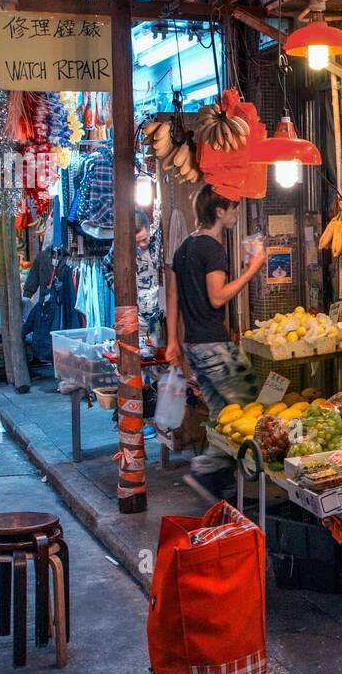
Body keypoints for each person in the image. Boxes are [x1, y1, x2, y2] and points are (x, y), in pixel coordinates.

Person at [167, 184, 266, 497]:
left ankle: (210, 476)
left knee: (221, 416)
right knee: (251, 407)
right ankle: (254, 487)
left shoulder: (184, 247)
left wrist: (173, 340)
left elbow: (173, 295)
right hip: (213, 344)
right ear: (219, 211)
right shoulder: (212, 248)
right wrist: (252, 269)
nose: (236, 213)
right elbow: (217, 297)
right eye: (233, 207)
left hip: (193, 346)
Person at [104, 209, 163, 333]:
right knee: (137, 349)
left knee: (160, 348)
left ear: (149, 229)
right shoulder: (121, 247)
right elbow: (106, 266)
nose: (141, 245)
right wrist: (119, 289)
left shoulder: (158, 243)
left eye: (144, 239)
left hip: (159, 314)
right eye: (137, 242)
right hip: (137, 315)